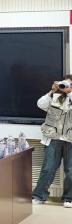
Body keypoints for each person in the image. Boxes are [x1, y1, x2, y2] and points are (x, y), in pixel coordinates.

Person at [32, 77, 72, 205]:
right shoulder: (55, 98)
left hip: (70, 139)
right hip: (53, 138)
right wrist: (52, 91)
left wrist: (69, 92)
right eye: (64, 84)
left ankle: (69, 198)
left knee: (71, 171)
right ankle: (39, 196)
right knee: (48, 169)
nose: (65, 86)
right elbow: (41, 104)